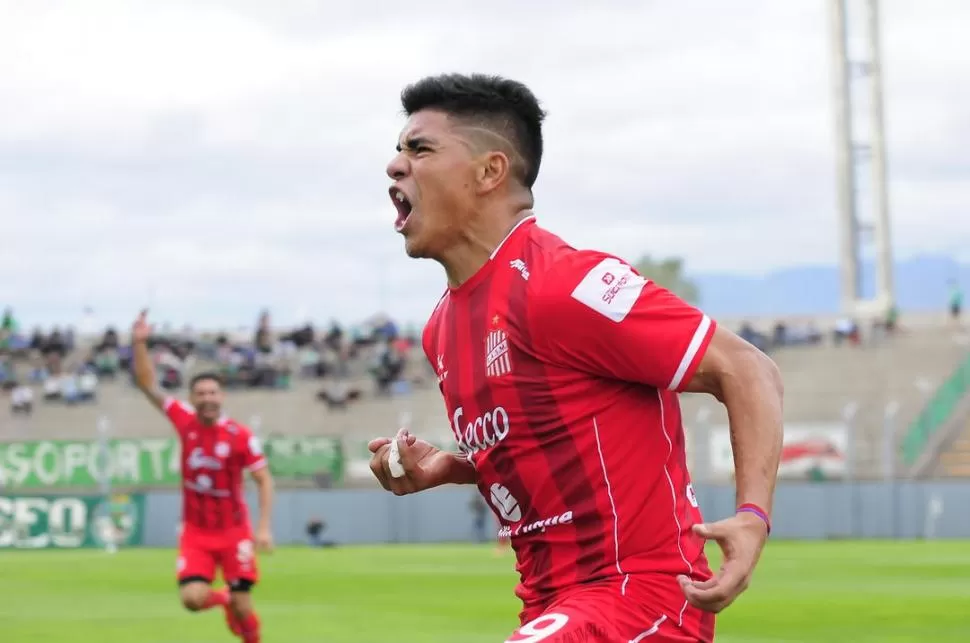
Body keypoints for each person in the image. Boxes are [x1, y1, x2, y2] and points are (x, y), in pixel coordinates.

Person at [369, 74, 784, 643]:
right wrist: (451, 467)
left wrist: (752, 517)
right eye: (398, 150)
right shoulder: (442, 327)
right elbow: (545, 449)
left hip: (640, 598)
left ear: (490, 172)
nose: (396, 165)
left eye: (419, 149)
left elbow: (748, 369)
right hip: (554, 609)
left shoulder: (564, 282)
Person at [132, 310, 274, 643]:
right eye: (201, 393)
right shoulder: (184, 420)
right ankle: (222, 598)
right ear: (193, 398)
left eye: (213, 393)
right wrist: (139, 343)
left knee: (243, 607)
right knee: (192, 599)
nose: (208, 398)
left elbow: (264, 479)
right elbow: (147, 385)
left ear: (221, 397)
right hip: (196, 532)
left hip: (233, 530)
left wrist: (263, 528)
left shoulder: (239, 435)